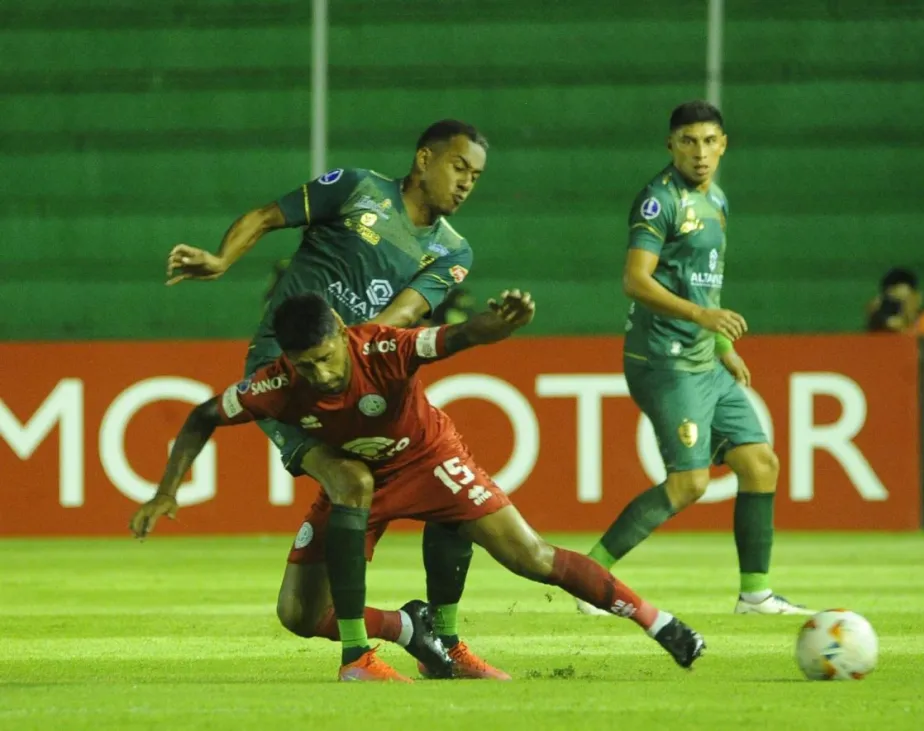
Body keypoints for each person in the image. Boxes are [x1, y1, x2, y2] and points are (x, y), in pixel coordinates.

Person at [130, 291, 706, 682]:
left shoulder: (379, 346)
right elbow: (204, 415)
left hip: (430, 461)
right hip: (357, 481)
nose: (321, 375)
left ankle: (659, 623)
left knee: (529, 555)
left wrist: (492, 326)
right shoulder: (276, 383)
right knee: (298, 616)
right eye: (306, 366)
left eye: (326, 358)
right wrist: (165, 490)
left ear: (339, 330)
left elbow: (448, 339)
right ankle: (409, 626)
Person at [159, 120, 505, 677]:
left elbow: (403, 318)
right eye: (458, 167)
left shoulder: (453, 251)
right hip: (286, 369)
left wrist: (359, 356)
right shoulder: (357, 188)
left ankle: (431, 637)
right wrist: (223, 260)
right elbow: (266, 216)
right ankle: (378, 645)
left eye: (476, 176)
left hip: (356, 375)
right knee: (348, 486)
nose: (466, 183)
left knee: (432, 472)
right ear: (424, 159)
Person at [576, 100, 813, 617]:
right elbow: (635, 280)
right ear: (671, 145)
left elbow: (704, 284)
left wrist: (723, 346)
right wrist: (704, 321)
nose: (700, 153)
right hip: (665, 360)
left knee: (760, 464)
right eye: (688, 141)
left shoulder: (718, 201)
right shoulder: (658, 201)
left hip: (706, 360)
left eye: (709, 141)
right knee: (690, 484)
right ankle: (589, 581)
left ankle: (755, 595)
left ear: (724, 144)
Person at [866, 267, 924, 337]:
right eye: (894, 302)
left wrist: (904, 330)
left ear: (917, 298)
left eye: (903, 300)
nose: (899, 307)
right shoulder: (880, 327)